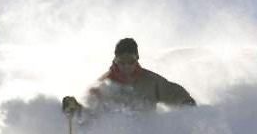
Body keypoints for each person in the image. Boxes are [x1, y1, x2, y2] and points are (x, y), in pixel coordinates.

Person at [62, 38, 196, 116]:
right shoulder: (104, 85)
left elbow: (172, 92)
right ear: (115, 60)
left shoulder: (150, 81)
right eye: (122, 61)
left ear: (137, 59)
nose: (126, 66)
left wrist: (186, 102)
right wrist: (76, 108)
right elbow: (89, 114)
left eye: (130, 60)